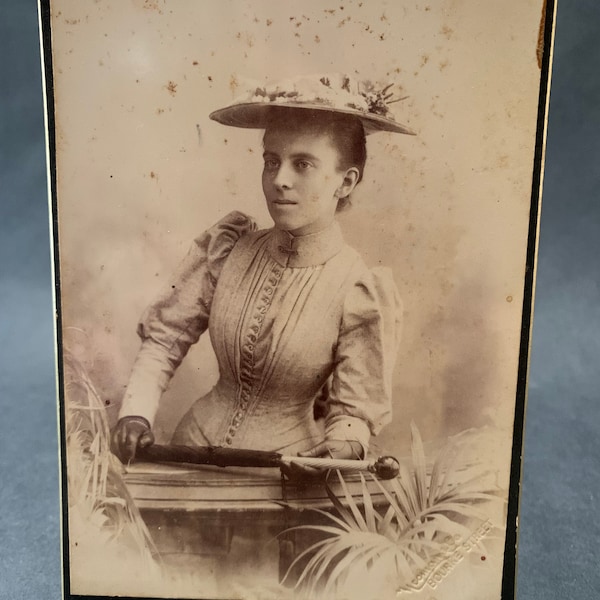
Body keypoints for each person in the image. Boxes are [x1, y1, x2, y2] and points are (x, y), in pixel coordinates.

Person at [110, 73, 414, 476]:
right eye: (271, 161)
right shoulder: (228, 249)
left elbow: (355, 410)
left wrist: (343, 445)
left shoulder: (358, 287)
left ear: (346, 181)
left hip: (283, 478)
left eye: (302, 164)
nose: (280, 179)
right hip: (187, 460)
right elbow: (165, 341)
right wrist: (135, 414)